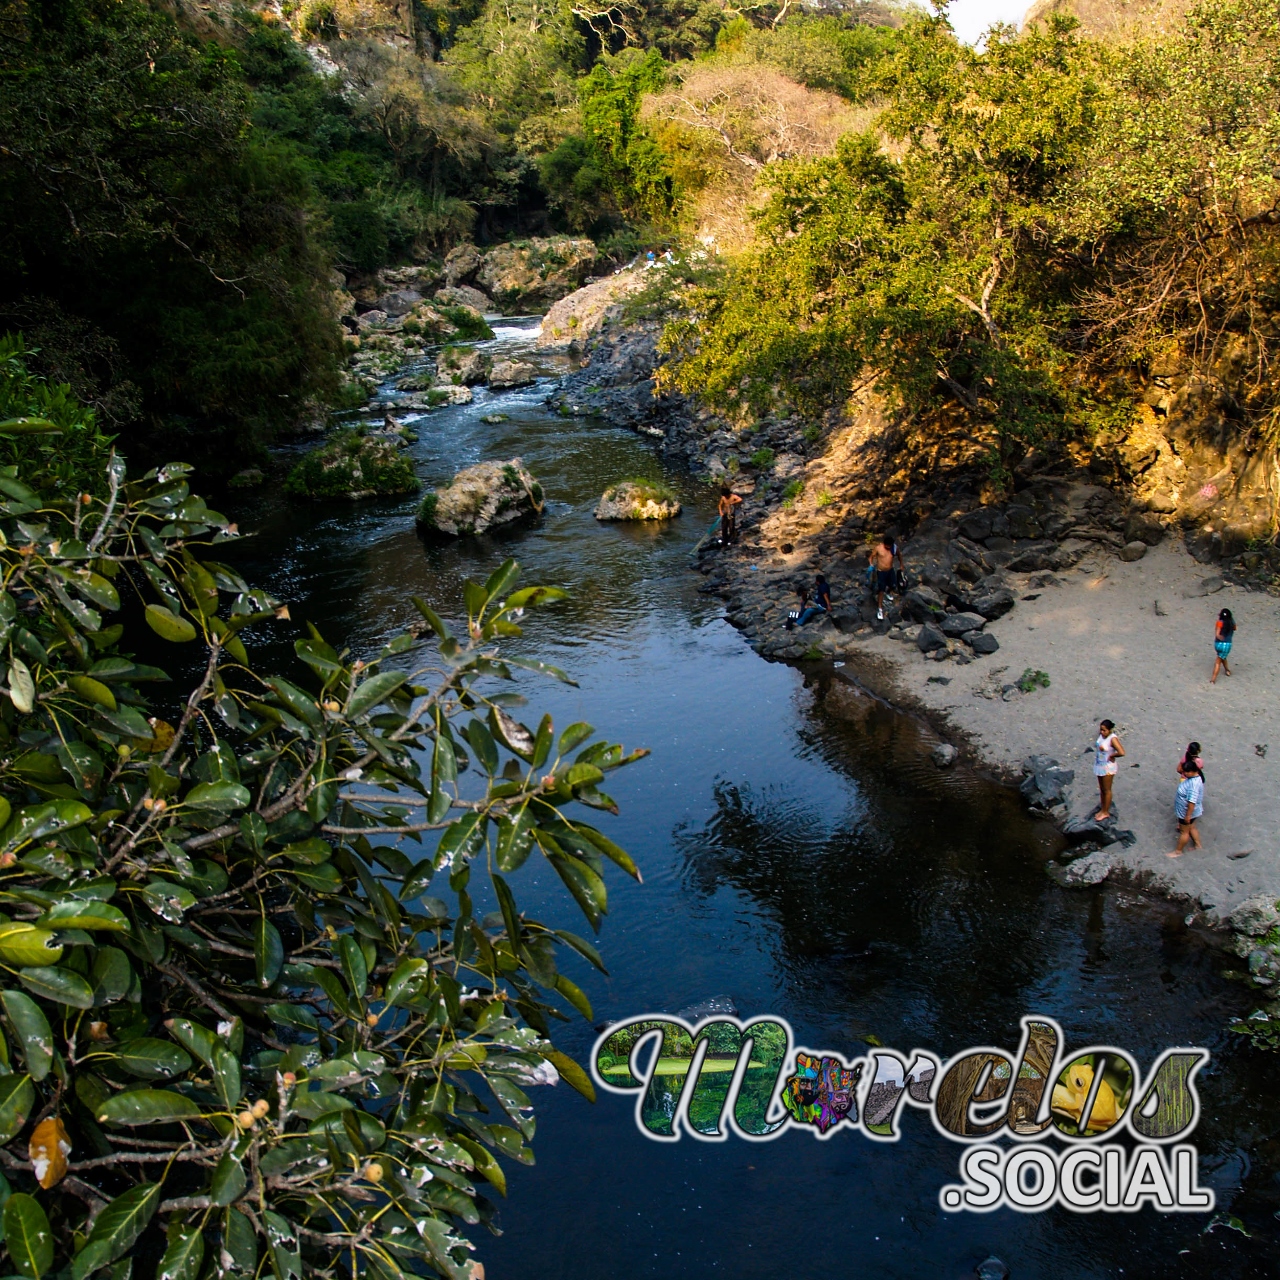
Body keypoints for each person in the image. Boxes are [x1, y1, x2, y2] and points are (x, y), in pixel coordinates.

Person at [1168, 743, 1205, 857]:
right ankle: (1198, 845)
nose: (1184, 773)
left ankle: (1178, 851)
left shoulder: (1193, 785)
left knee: (1185, 832)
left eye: (1186, 772)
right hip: (1191, 811)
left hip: (1187, 812)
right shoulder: (1196, 779)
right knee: (1192, 827)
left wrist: (1187, 816)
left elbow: (1191, 802)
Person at [1092, 719, 1124, 821]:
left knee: (1107, 789)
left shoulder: (1112, 739)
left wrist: (1112, 755)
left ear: (1109, 730)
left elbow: (1121, 752)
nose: (1102, 732)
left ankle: (1105, 812)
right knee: (1102, 789)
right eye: (1101, 730)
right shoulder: (1101, 736)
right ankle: (1103, 808)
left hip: (1107, 766)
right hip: (1099, 764)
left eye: (1104, 730)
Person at [867, 533, 903, 621]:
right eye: (887, 546)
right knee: (881, 590)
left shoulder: (894, 548)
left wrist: (901, 564)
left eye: (890, 546)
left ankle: (889, 592)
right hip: (881, 572)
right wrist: (871, 565)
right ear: (884, 544)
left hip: (890, 570)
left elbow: (899, 555)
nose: (888, 548)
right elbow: (871, 557)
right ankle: (880, 609)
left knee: (893, 585)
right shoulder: (878, 548)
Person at [1211, 608, 1235, 683]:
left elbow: (1217, 634)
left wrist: (1220, 637)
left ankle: (1227, 670)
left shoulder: (1219, 622)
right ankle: (1213, 679)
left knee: (1222, 657)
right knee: (1218, 660)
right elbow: (1235, 628)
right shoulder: (1232, 622)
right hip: (1227, 644)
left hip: (1218, 644)